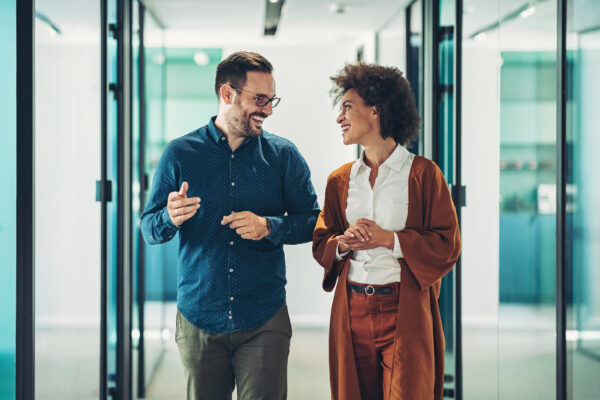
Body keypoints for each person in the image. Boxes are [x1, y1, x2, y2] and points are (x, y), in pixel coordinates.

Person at [141, 51, 320, 400]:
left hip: (263, 317)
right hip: (199, 317)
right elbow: (149, 227)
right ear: (227, 94)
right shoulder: (180, 154)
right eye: (259, 99)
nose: (267, 110)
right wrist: (169, 217)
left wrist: (270, 227)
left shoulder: (284, 156)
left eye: (271, 100)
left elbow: (314, 222)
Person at [312, 63, 461, 400]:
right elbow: (323, 240)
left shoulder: (424, 174)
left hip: (403, 310)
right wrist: (342, 243)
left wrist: (388, 239)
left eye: (347, 106)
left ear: (375, 111)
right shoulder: (340, 180)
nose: (340, 118)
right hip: (352, 311)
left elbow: (447, 244)